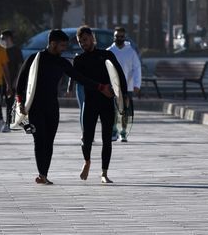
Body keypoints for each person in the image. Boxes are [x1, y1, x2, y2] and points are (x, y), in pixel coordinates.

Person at [15, 29, 110, 185]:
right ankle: (42, 174)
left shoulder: (62, 62)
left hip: (52, 107)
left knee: (49, 142)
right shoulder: (35, 59)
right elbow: (20, 82)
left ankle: (43, 174)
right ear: (53, 44)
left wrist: (100, 87)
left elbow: (80, 78)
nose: (64, 48)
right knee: (39, 140)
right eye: (62, 45)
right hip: (35, 107)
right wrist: (20, 102)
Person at [72, 26, 128, 183]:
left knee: (106, 138)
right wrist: (100, 87)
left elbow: (119, 75)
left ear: (92, 37)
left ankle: (104, 173)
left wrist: (124, 95)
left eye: (85, 40)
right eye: (80, 42)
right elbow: (81, 80)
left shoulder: (106, 55)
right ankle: (87, 161)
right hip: (90, 103)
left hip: (106, 103)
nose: (83, 44)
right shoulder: (79, 60)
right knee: (87, 137)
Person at [107, 27, 142, 142]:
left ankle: (123, 132)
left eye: (121, 36)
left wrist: (137, 84)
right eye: (117, 36)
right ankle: (113, 131)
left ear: (125, 37)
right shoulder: (109, 51)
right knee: (113, 110)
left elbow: (137, 68)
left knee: (126, 110)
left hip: (128, 86)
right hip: (113, 87)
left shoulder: (131, 52)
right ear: (114, 37)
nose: (119, 38)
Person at [0, 29, 23, 132]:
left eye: (2, 38)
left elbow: (20, 66)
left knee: (10, 103)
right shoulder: (0, 50)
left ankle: (9, 123)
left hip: (12, 80)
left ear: (8, 38)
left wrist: (16, 80)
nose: (1, 40)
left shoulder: (16, 50)